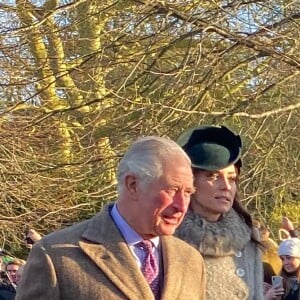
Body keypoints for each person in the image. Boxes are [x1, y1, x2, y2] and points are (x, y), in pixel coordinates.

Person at [16, 136, 206, 300]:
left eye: (188, 192)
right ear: (132, 185)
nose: (182, 206)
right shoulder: (55, 256)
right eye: (172, 190)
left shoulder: (191, 261)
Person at [175, 125, 264, 299]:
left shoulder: (248, 236)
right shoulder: (168, 238)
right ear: (190, 181)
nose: (226, 186)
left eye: (232, 178)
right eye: (213, 176)